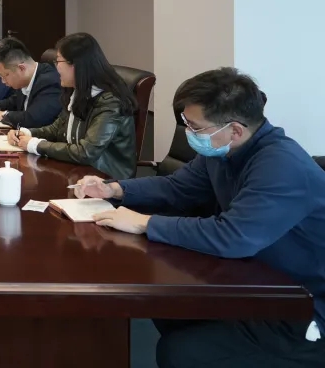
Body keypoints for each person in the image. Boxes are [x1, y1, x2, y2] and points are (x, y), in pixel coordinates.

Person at [76, 68, 325, 367]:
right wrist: (114, 189)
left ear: (235, 130)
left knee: (181, 352)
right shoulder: (222, 151)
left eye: (195, 127)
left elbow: (232, 236)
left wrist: (145, 223)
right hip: (253, 281)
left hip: (302, 306)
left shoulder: (282, 166)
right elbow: (177, 187)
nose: (189, 134)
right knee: (169, 310)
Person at [6, 32, 136, 179]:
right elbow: (56, 129)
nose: (56, 67)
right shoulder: (77, 91)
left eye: (58, 61)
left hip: (106, 180)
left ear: (76, 64)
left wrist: (36, 145)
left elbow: (86, 152)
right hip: (76, 172)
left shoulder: (110, 102)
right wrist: (26, 134)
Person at [0, 38, 62, 128]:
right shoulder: (26, 80)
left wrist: (4, 114)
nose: (3, 81)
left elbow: (34, 119)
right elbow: (14, 101)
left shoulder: (50, 82)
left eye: (5, 75)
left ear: (21, 68)